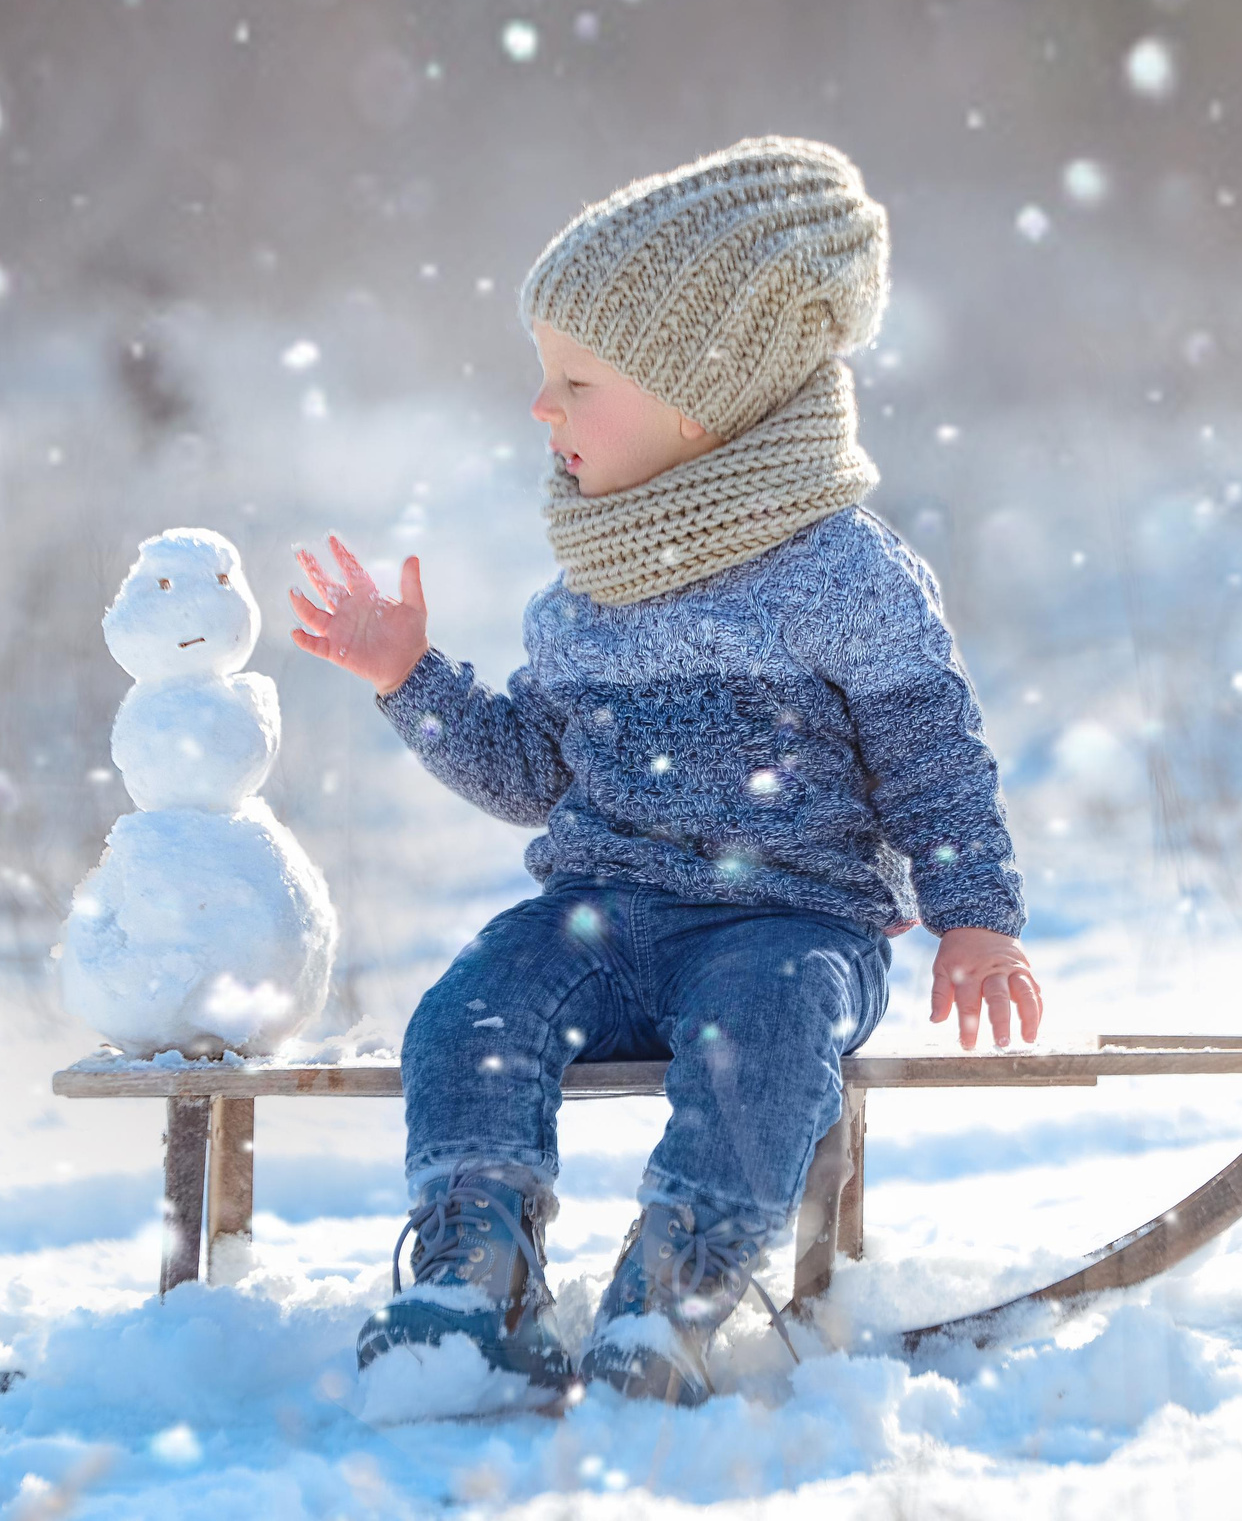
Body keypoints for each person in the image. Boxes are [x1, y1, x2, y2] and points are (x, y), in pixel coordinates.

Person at [288, 136, 1041, 1410]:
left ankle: (680, 1278)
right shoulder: (588, 591)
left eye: (576, 381)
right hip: (603, 914)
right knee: (474, 1006)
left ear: (703, 399)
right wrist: (412, 681)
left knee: (765, 1030)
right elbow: (534, 770)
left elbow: (931, 757)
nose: (542, 409)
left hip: (787, 920)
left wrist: (974, 916)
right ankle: (478, 1268)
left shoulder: (843, 573)